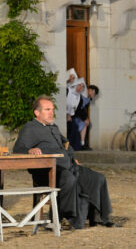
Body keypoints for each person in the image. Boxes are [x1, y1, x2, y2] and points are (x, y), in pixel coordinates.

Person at [13, 95, 114, 229]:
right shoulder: (30, 128)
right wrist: (30, 150)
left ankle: (99, 218)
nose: (51, 113)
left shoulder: (53, 127)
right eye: (47, 109)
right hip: (47, 172)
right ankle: (64, 217)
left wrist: (73, 158)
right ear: (37, 112)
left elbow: (66, 143)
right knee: (69, 179)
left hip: (69, 166)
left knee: (98, 178)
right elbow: (18, 149)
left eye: (52, 109)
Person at [66, 78, 87, 150]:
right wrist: (66, 114)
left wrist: (85, 118)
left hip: (70, 117)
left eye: (82, 87)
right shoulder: (68, 91)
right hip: (62, 116)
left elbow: (78, 110)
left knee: (74, 126)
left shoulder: (79, 97)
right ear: (75, 85)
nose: (80, 88)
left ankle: (74, 147)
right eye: (79, 85)